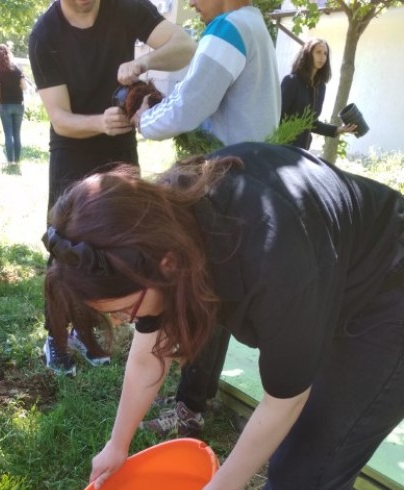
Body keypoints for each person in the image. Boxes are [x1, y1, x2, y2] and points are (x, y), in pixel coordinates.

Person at [43, 142, 404, 490]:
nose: (125, 324)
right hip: (335, 278)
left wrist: (226, 486)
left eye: (123, 311)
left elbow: (286, 397)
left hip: (389, 296)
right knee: (316, 455)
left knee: (308, 462)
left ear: (164, 265)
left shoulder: (271, 254)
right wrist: (116, 445)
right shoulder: (157, 231)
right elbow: (148, 356)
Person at [130, 0, 281, 437]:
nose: (192, 2)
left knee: (206, 295)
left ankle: (190, 406)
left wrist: (144, 121)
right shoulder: (254, 24)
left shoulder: (228, 27)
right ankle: (195, 396)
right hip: (250, 180)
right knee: (218, 293)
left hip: (224, 187)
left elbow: (190, 106)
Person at [29, 0, 196, 376]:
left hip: (120, 148)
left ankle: (91, 333)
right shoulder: (45, 35)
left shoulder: (126, 8)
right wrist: (100, 123)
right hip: (72, 149)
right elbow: (60, 119)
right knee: (65, 252)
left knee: (126, 243)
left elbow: (185, 45)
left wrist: (144, 63)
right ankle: (56, 338)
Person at [281, 38, 356, 150]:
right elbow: (277, 115)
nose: (322, 57)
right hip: (282, 146)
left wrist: (338, 130)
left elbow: (311, 123)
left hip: (302, 151)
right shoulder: (291, 81)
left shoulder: (320, 87)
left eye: (325, 53)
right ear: (307, 54)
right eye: (318, 52)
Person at [0, 43, 27, 166]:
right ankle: (17, 161)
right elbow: (25, 86)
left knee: (8, 134)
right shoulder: (17, 67)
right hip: (18, 104)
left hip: (5, 105)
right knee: (17, 134)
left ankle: (10, 161)